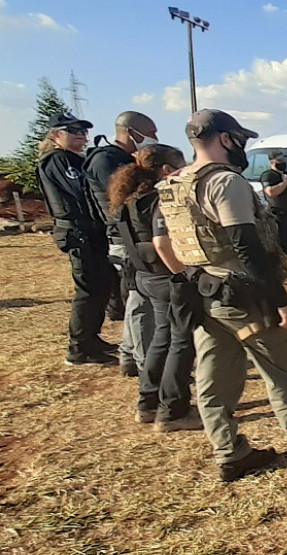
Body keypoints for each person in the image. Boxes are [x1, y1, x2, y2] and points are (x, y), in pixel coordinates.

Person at [156, 109, 287, 481]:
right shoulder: (224, 182)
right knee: (285, 373)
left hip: (206, 293)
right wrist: (280, 300)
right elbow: (246, 245)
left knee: (214, 379)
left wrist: (190, 278)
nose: (243, 146)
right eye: (239, 138)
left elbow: (164, 243)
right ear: (226, 139)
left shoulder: (175, 184)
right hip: (245, 296)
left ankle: (229, 452)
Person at [108, 144, 203, 433]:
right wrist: (184, 275)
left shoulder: (129, 200)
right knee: (181, 342)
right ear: (166, 170)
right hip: (167, 279)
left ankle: (148, 402)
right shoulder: (162, 199)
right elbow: (162, 243)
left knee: (162, 338)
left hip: (145, 278)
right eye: (181, 164)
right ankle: (173, 410)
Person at [36, 113, 117, 365]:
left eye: (83, 131)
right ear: (55, 135)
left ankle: (91, 338)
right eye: (73, 131)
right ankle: (79, 347)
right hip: (78, 231)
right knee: (88, 289)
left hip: (91, 231)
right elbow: (81, 191)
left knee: (101, 286)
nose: (81, 135)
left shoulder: (73, 159)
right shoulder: (58, 160)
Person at [84, 111, 159, 376]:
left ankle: (129, 356)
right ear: (131, 132)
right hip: (124, 238)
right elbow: (122, 201)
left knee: (138, 302)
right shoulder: (106, 161)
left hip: (132, 237)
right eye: (150, 133)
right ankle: (144, 363)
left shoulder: (120, 159)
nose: (153, 138)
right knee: (141, 304)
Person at [260, 151, 287, 252]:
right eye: (279, 160)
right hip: (277, 214)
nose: (282, 162)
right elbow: (270, 192)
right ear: (272, 162)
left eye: (283, 160)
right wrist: (285, 183)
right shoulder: (268, 175)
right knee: (279, 243)